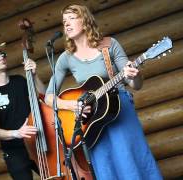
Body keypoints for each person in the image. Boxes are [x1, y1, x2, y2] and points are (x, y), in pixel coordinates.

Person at [44, 4, 162, 180]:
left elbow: (134, 83)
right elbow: (49, 97)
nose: (66, 24)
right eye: (64, 21)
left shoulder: (109, 45)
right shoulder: (65, 58)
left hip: (119, 108)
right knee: (105, 166)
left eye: (72, 18)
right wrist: (72, 105)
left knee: (131, 160)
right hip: (92, 120)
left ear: (85, 21)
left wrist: (134, 75)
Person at [0, 43, 46, 180]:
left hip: (37, 142)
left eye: (3, 55)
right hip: (15, 151)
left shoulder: (20, 81)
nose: (1, 57)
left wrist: (34, 75)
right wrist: (17, 133)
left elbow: (44, 95)